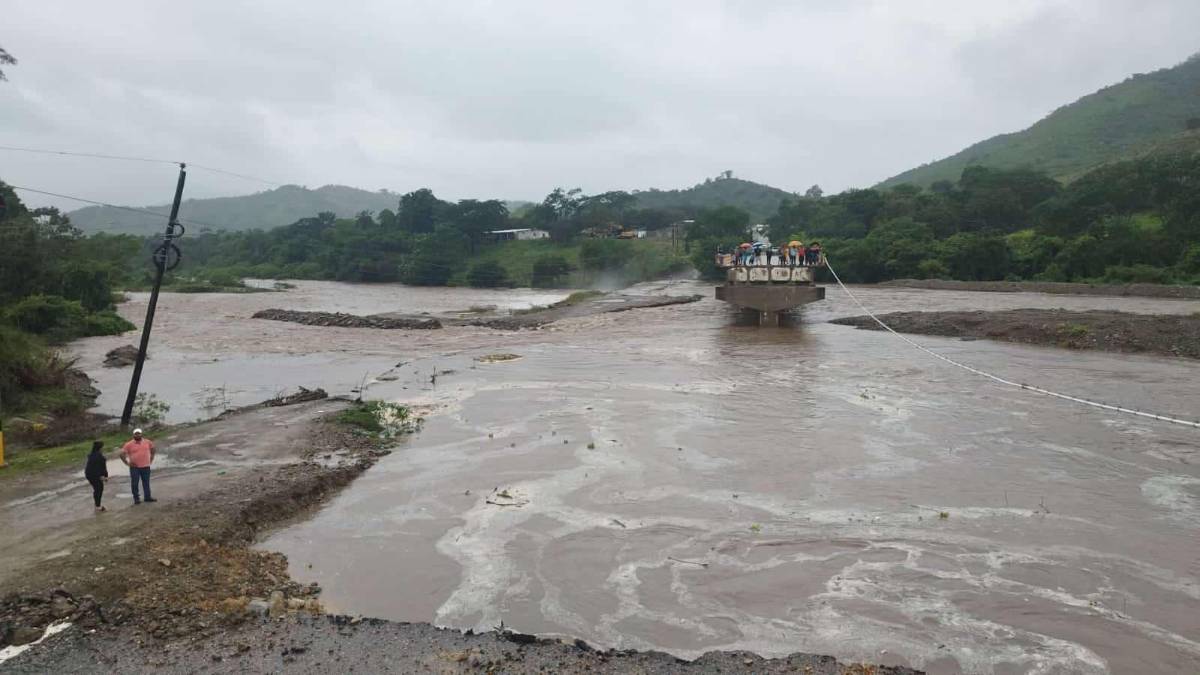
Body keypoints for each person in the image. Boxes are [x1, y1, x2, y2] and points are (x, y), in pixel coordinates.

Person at [120, 428, 157, 504]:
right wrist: (127, 463)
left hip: (146, 466)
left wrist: (152, 457)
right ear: (133, 435)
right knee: (135, 483)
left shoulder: (147, 442)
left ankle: (147, 497)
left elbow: (153, 448)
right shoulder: (129, 444)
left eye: (139, 433)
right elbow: (121, 454)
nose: (137, 435)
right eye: (136, 434)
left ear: (141, 434)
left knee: (146, 482)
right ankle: (136, 499)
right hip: (135, 467)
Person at [84, 440, 109, 512]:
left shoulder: (91, 455)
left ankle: (97, 505)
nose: (103, 448)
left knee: (97, 489)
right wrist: (104, 476)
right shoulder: (99, 457)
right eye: (102, 447)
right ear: (100, 448)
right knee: (99, 489)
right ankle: (98, 506)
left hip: (89, 474)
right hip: (94, 475)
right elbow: (102, 468)